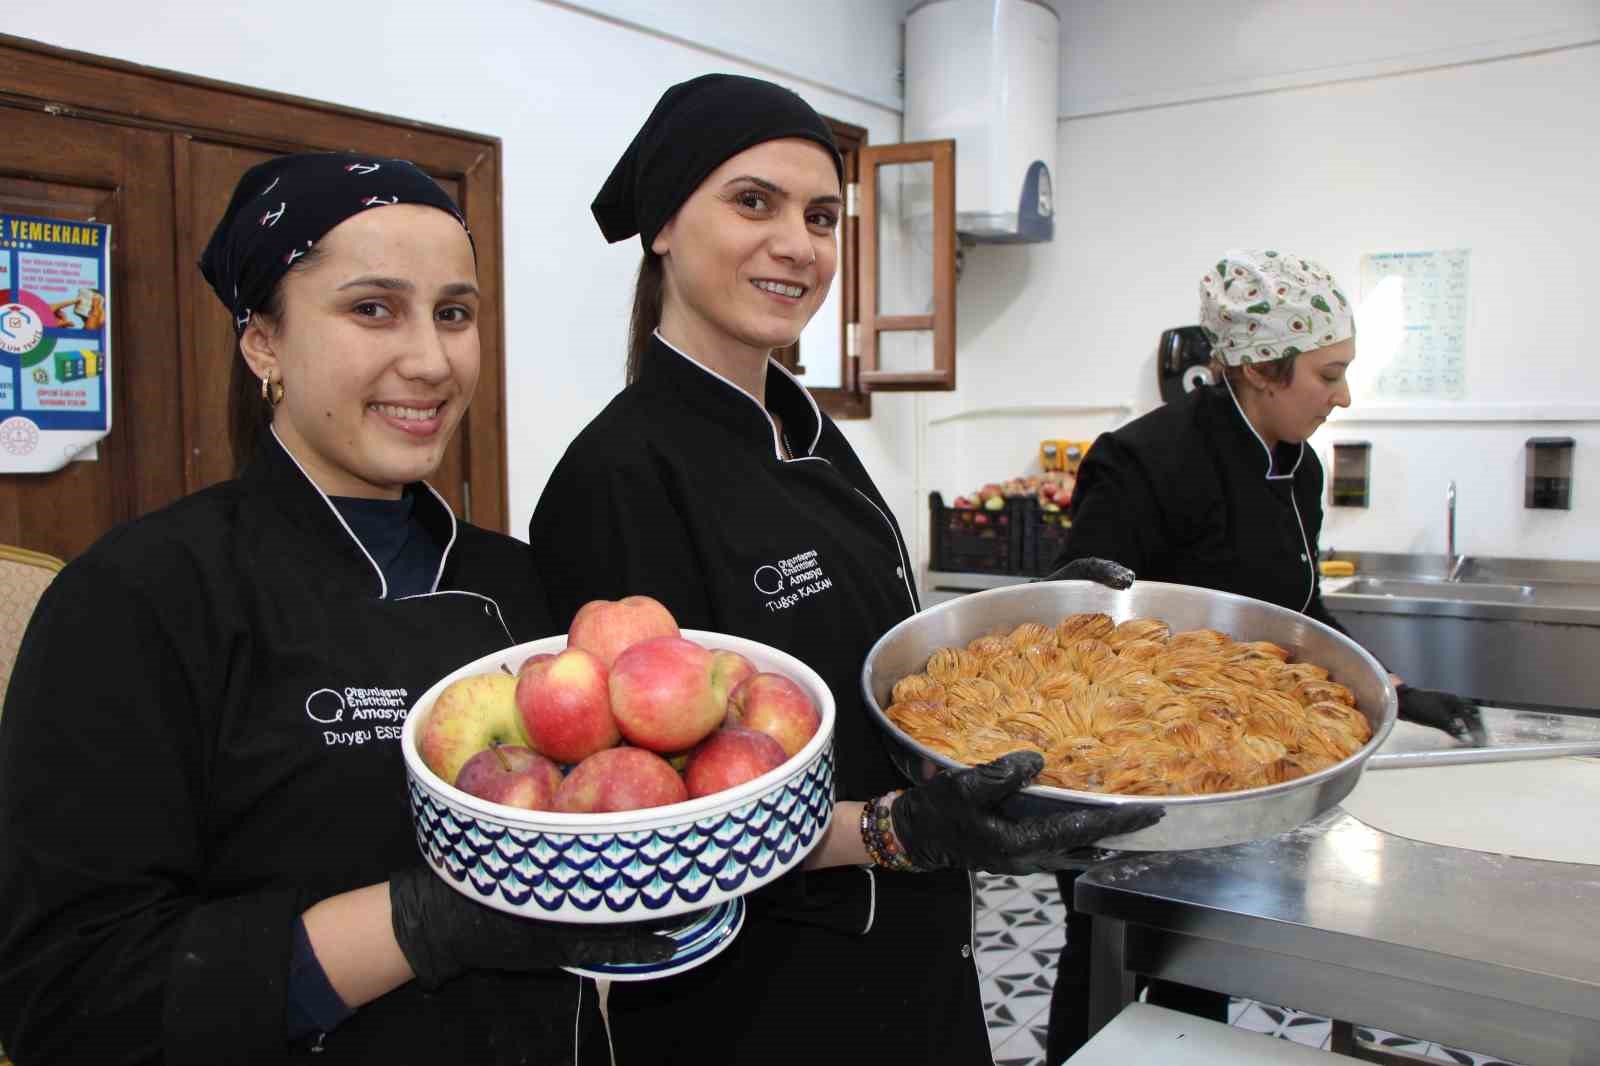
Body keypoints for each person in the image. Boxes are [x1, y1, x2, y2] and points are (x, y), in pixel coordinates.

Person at [527, 73, 1158, 1064]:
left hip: (920, 963)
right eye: (752, 202)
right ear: (662, 228)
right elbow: (643, 819)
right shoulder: (619, 476)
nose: (798, 243)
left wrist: (1034, 623)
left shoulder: (810, 432)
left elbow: (874, 662)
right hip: (766, 1004)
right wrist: (891, 830)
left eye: (820, 215)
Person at [0, 153, 668, 1066]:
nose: (431, 361)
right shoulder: (139, 597)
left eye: (455, 314)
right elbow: (73, 997)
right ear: (263, 343)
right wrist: (422, 924)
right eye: (372, 308)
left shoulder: (523, 586)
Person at [1043, 249, 1484, 1061]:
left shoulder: (1299, 468)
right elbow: (1084, 631)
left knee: (1204, 961)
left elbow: (1298, 609)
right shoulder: (1145, 460)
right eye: (1329, 375)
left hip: (1237, 771)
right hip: (1131, 773)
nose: (1343, 397)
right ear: (1259, 368)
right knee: (1107, 957)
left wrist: (1375, 682)